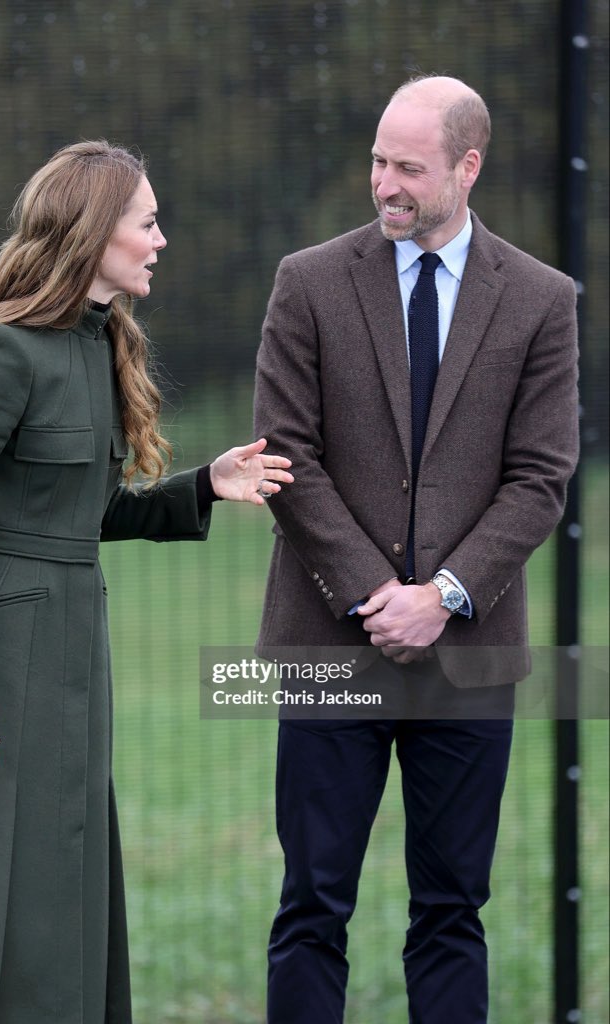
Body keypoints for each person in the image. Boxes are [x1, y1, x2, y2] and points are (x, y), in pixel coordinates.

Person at [0, 140, 293, 1024]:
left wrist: (200, 489)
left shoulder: (105, 344)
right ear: (95, 233)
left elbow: (80, 513)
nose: (161, 240)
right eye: (146, 223)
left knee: (55, 882)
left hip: (73, 654)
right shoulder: (4, 352)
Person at [254, 76, 578, 1024]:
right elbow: (287, 457)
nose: (383, 183)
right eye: (376, 162)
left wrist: (440, 594)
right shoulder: (307, 282)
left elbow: (539, 478)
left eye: (407, 167)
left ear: (467, 167)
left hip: (468, 657)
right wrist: (374, 593)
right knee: (311, 908)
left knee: (451, 913)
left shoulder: (542, 300)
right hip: (328, 644)